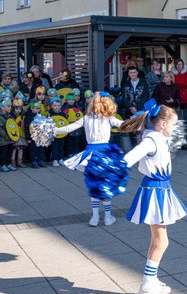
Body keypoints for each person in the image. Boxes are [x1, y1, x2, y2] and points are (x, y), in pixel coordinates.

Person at [120, 101, 187, 294]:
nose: (175, 129)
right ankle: (146, 289)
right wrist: (112, 170)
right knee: (161, 242)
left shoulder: (158, 137)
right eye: (173, 125)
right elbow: (129, 158)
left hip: (160, 189)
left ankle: (151, 281)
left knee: (156, 240)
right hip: (155, 190)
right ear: (162, 124)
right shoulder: (151, 140)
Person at [55, 92, 124, 225]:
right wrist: (141, 122)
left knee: (94, 184)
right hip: (106, 153)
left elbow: (69, 128)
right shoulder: (108, 117)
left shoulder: (86, 118)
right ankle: (108, 217)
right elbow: (123, 124)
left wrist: (53, 130)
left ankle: (95, 217)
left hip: (91, 153)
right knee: (106, 185)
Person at [25, 100, 46, 168]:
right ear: (32, 108)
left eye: (39, 108)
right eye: (36, 108)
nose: (38, 110)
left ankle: (41, 160)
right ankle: (33, 161)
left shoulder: (40, 116)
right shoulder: (28, 117)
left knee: (41, 149)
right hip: (33, 136)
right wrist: (28, 137)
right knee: (33, 149)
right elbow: (26, 127)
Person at [49, 97, 67, 167]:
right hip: (53, 134)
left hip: (62, 133)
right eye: (55, 105)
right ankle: (55, 160)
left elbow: (65, 123)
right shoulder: (50, 114)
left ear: (61, 106)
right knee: (54, 147)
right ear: (51, 106)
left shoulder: (63, 114)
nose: (57, 107)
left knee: (61, 147)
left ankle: (61, 159)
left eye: (58, 105)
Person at [10, 99, 27, 169]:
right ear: (13, 108)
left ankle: (20, 161)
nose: (18, 110)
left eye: (20, 109)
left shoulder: (22, 116)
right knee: (14, 149)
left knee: (21, 148)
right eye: (16, 108)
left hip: (21, 135)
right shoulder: (11, 116)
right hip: (13, 136)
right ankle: (12, 161)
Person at [0, 97, 15, 172]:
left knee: (9, 152)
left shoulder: (10, 116)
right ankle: (2, 165)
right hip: (3, 140)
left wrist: (13, 136)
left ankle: (8, 164)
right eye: (8, 106)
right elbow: (0, 129)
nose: (10, 108)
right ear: (2, 107)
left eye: (10, 106)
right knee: (3, 153)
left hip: (10, 139)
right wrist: (6, 135)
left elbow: (13, 127)